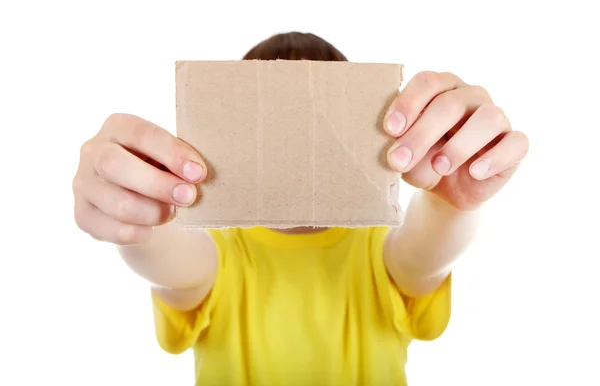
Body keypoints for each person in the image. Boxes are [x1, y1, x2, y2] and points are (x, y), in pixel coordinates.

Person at [72, 31, 529, 385]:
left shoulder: (378, 248)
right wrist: (134, 211)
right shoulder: (222, 251)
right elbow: (173, 262)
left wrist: (454, 202)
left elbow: (425, 250)